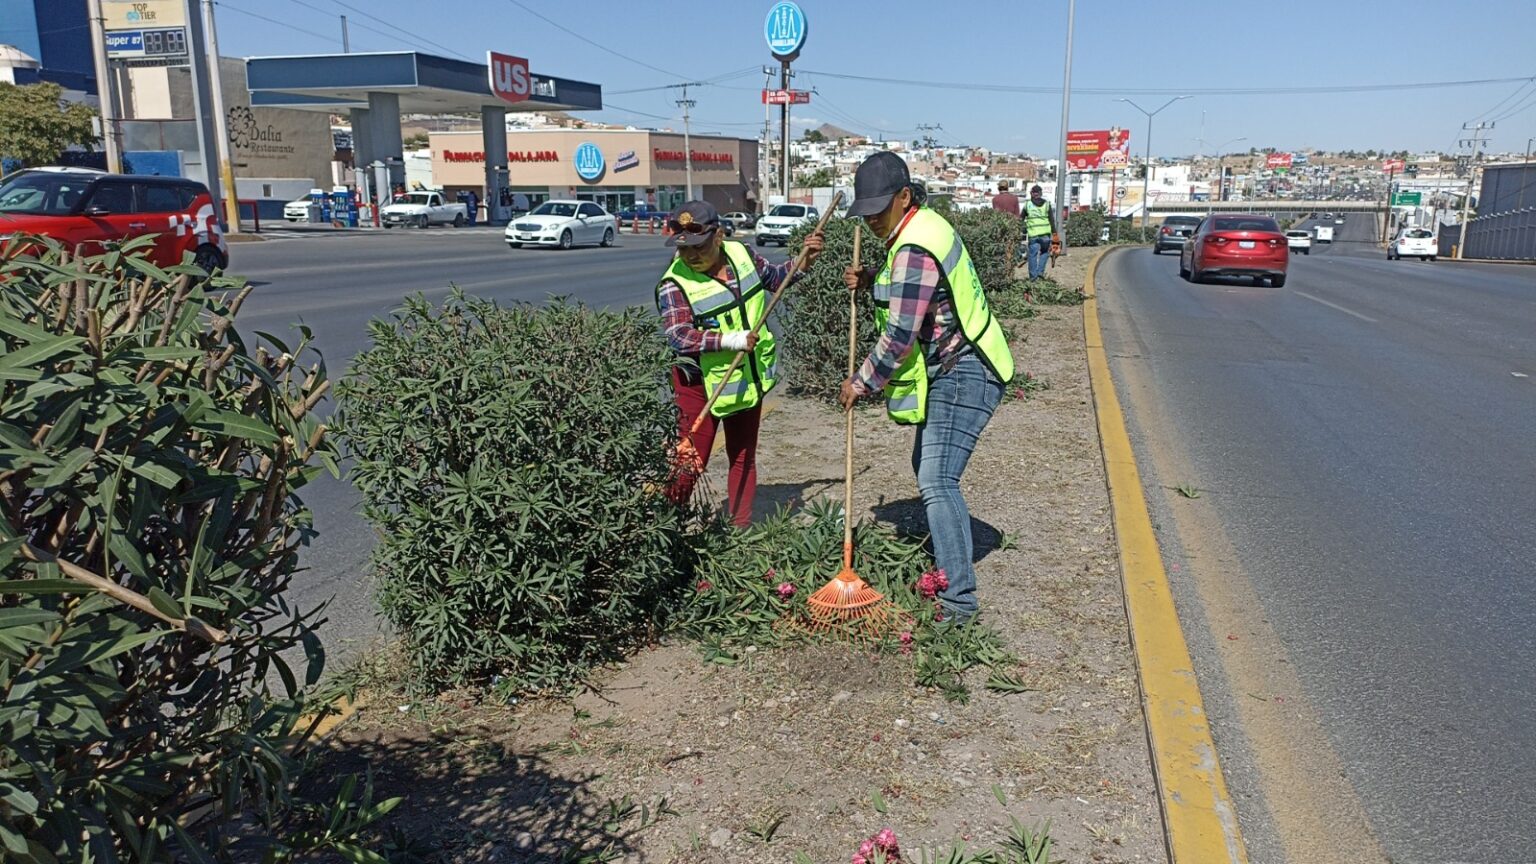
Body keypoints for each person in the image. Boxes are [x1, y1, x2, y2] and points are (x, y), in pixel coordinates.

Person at [838, 152, 1015, 624]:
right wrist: (873, 279)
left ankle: (958, 603)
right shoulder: (922, 229)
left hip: (967, 367)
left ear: (904, 196)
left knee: (937, 479)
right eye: (866, 210)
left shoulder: (914, 246)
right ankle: (947, 554)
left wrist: (862, 382)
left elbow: (899, 333)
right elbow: (919, 294)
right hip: (959, 362)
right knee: (928, 467)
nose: (872, 218)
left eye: (880, 207)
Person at [657, 201, 824, 528]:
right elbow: (678, 335)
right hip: (698, 385)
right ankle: (662, 531)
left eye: (699, 247)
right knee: (690, 461)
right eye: (683, 249)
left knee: (743, 455)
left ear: (718, 235)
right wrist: (729, 340)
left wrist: (803, 263)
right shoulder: (673, 283)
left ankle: (740, 532)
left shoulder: (742, 254)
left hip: (745, 379)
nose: (690, 256)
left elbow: (775, 278)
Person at [1022, 184, 1057, 280]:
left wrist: (1020, 231)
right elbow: (1051, 220)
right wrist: (1054, 233)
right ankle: (1040, 272)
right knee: (1045, 252)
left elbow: (1021, 219)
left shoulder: (1027, 205)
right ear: (1040, 194)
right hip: (1045, 234)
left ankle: (1033, 277)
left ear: (1032, 194)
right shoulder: (1047, 204)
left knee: (1032, 255)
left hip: (1033, 234)